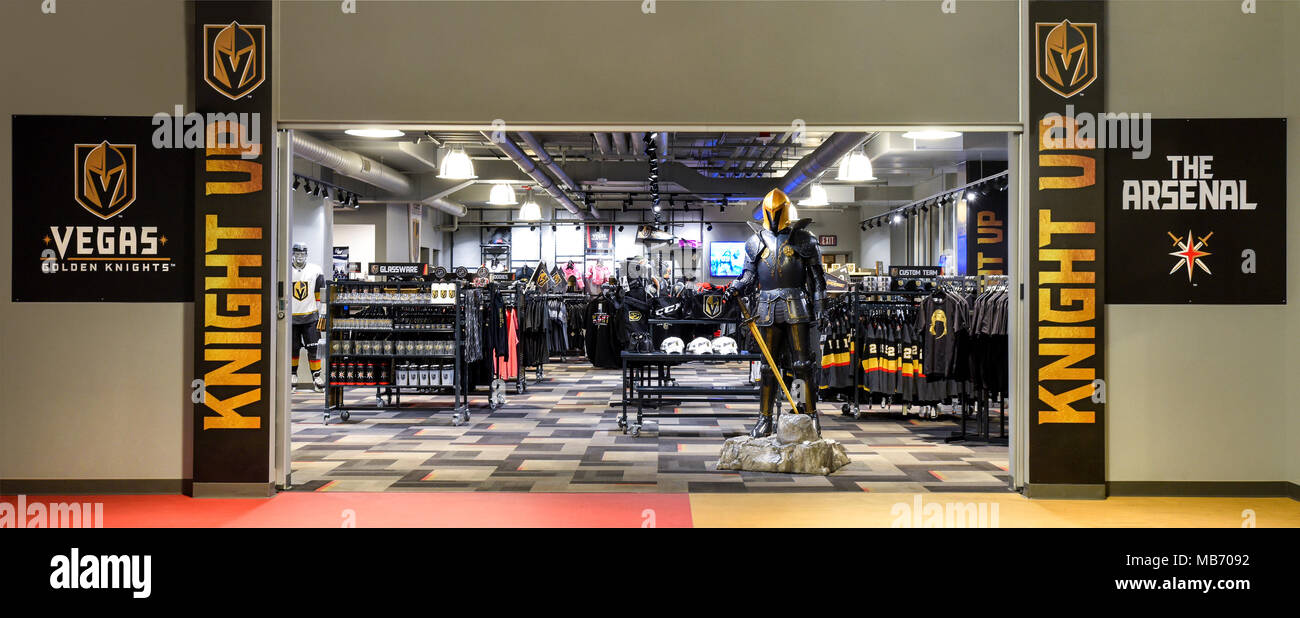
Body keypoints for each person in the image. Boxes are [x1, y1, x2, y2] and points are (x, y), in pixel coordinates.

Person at [726, 189, 827, 437]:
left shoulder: (805, 239)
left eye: (777, 211)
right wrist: (735, 288)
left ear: (785, 209)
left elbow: (817, 280)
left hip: (796, 303)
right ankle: (765, 419)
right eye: (770, 211)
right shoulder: (755, 241)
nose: (773, 216)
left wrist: (820, 308)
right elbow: (749, 277)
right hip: (767, 306)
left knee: (802, 365)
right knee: (767, 367)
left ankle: (804, 414)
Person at [290, 243, 326, 392]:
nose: (300, 257)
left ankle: (317, 376)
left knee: (315, 348)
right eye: (297, 253)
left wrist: (322, 312)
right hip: (291, 318)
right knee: (292, 349)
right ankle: (292, 375)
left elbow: (320, 294)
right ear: (293, 254)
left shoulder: (315, 270)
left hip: (311, 316)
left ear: (306, 254)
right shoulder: (285, 269)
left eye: (302, 253)